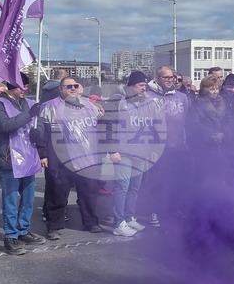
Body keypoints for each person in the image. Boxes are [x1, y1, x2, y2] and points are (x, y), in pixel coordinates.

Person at [32, 75, 105, 235]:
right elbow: (42, 133)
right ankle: (54, 227)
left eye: (75, 86)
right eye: (68, 86)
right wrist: (43, 154)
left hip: (87, 159)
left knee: (89, 192)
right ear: (60, 89)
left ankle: (90, 222)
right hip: (61, 159)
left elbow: (99, 127)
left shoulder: (88, 105)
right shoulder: (49, 107)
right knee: (57, 194)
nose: (72, 88)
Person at [0, 73, 46, 255]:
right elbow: (5, 125)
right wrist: (29, 115)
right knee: (11, 200)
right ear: (11, 87)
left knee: (28, 199)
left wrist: (39, 134)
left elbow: (39, 125)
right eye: (22, 86)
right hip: (9, 160)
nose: (25, 89)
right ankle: (10, 236)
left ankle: (23, 230)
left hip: (28, 157)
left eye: (27, 86)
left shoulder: (30, 103)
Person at [102, 71, 161, 237]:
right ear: (132, 85)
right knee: (122, 187)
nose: (144, 88)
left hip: (141, 152)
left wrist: (153, 149)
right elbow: (108, 126)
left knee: (134, 188)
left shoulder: (147, 102)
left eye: (145, 85)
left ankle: (129, 217)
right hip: (123, 152)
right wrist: (112, 149)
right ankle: (118, 222)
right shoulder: (118, 100)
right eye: (141, 85)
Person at [140, 65, 189, 226]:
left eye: (171, 77)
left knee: (176, 181)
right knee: (157, 182)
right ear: (157, 78)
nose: (170, 80)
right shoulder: (147, 96)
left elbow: (186, 121)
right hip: (157, 148)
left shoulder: (181, 97)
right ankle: (155, 211)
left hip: (178, 146)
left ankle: (173, 210)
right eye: (166, 77)